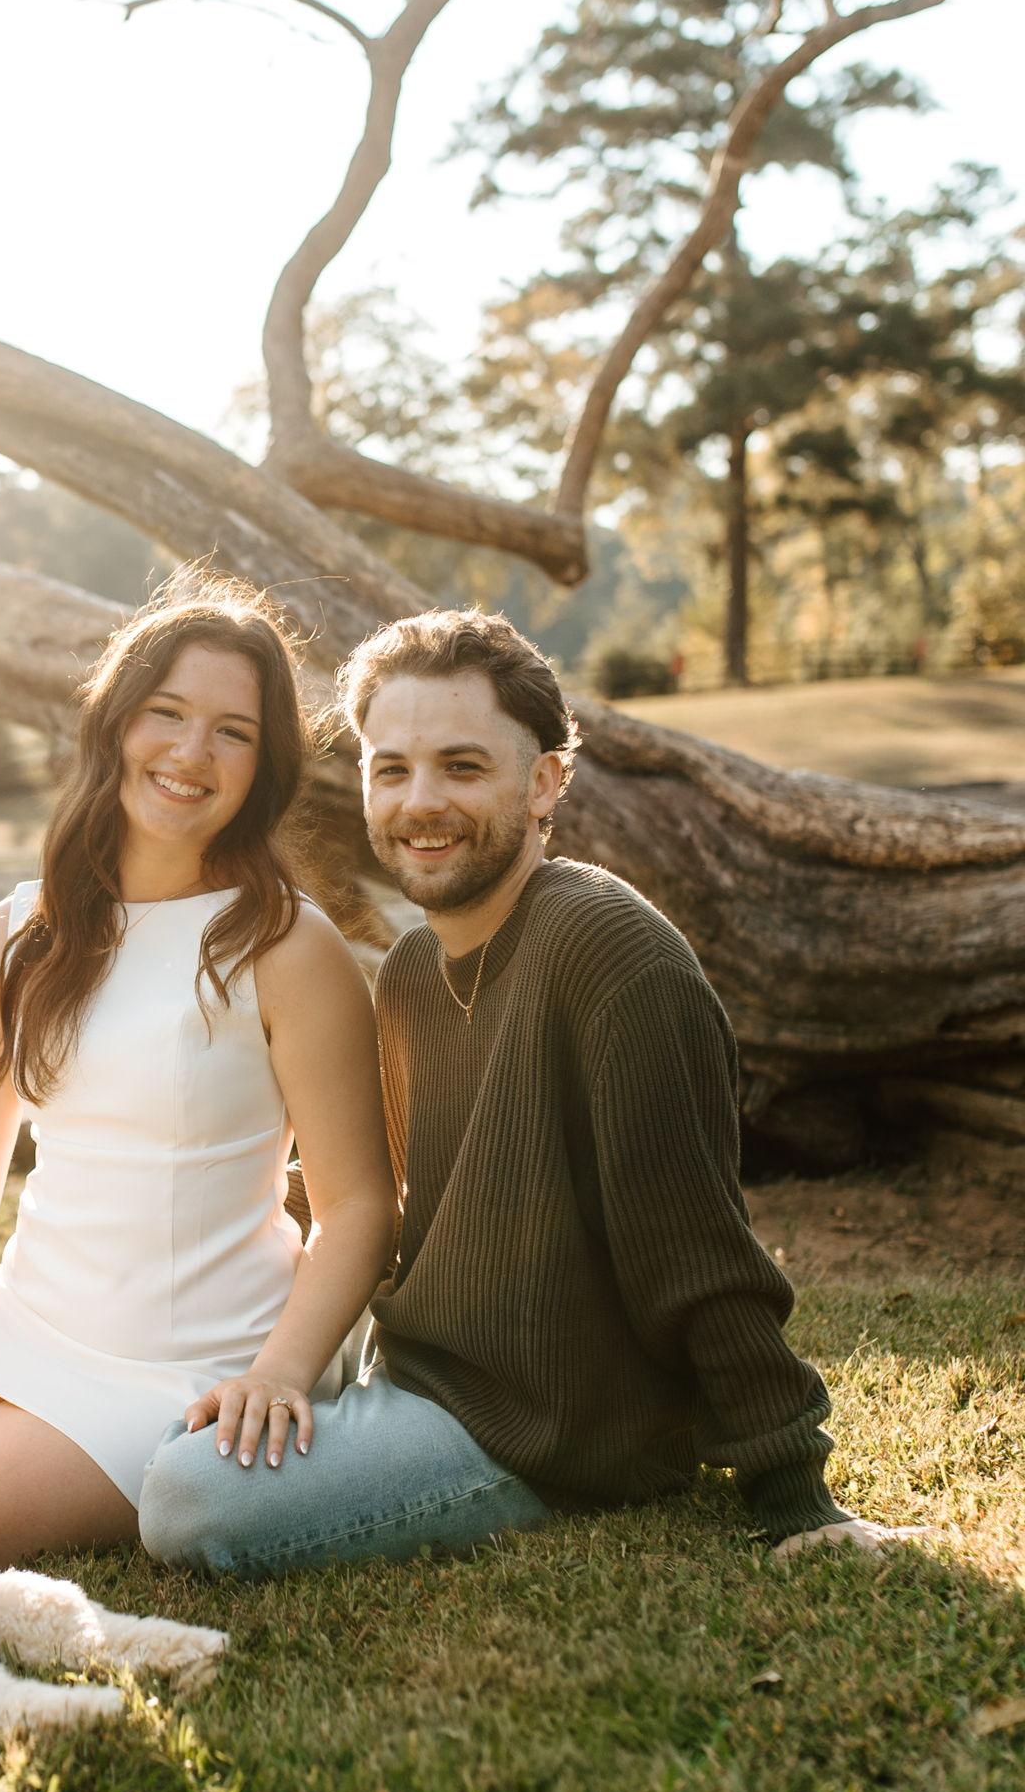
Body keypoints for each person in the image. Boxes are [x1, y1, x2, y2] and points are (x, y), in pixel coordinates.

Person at [137, 607, 926, 1573]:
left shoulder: (609, 953)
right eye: (393, 769)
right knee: (158, 1389)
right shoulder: (413, 972)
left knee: (186, 1499)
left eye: (462, 767)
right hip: (416, 1364)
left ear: (544, 781)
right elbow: (365, 1192)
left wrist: (795, 1492)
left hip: (536, 1431)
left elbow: (697, 1250)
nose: (421, 801)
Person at [0, 569, 397, 1565]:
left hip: (184, 1366)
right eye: (166, 713)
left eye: (232, 731)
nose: (190, 752)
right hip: (20, 1321)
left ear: (262, 766)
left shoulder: (287, 945)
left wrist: (278, 1373)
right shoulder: (14, 933)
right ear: (116, 721)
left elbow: (358, 1208)